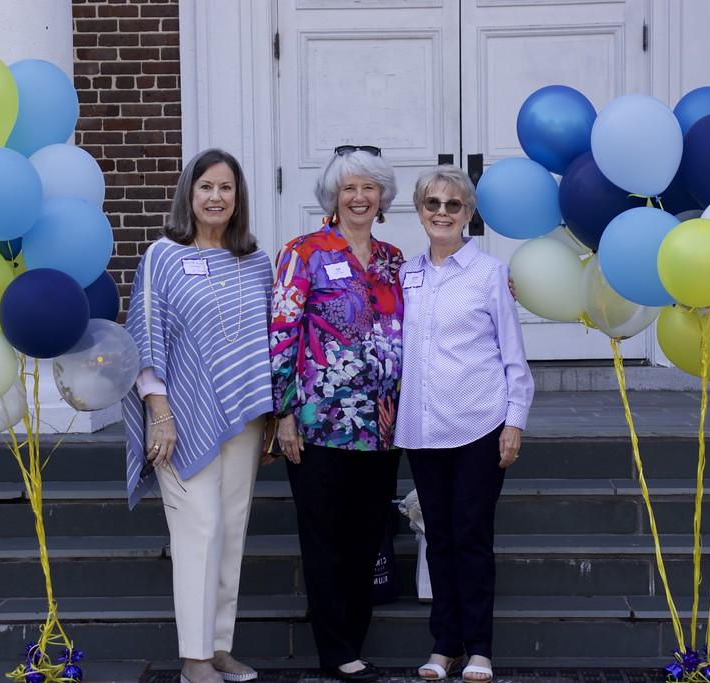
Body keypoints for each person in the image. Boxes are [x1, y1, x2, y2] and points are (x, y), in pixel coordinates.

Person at [123, 148, 274, 683]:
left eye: (227, 188)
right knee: (199, 528)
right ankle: (193, 658)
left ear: (239, 198)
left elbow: (267, 337)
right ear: (189, 193)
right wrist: (158, 411)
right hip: (180, 417)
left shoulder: (257, 261)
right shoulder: (162, 255)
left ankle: (219, 645)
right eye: (206, 186)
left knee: (232, 529)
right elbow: (143, 336)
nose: (216, 197)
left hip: (245, 419)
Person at [270, 145, 404, 682]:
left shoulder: (394, 260)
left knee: (368, 535)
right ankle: (336, 649)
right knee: (324, 538)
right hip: (318, 425)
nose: (359, 196)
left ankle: (354, 638)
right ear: (333, 195)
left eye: (369, 187)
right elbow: (281, 334)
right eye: (349, 187)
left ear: (382, 197)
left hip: (383, 427)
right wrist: (282, 414)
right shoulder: (304, 252)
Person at [395, 165, 534, 683]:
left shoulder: (490, 274)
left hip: (479, 424)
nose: (442, 213)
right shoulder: (406, 275)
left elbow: (513, 358)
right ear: (420, 210)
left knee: (471, 536)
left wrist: (513, 423)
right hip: (422, 427)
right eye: (432, 203)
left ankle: (479, 648)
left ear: (468, 214)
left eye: (453, 205)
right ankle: (444, 644)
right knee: (439, 537)